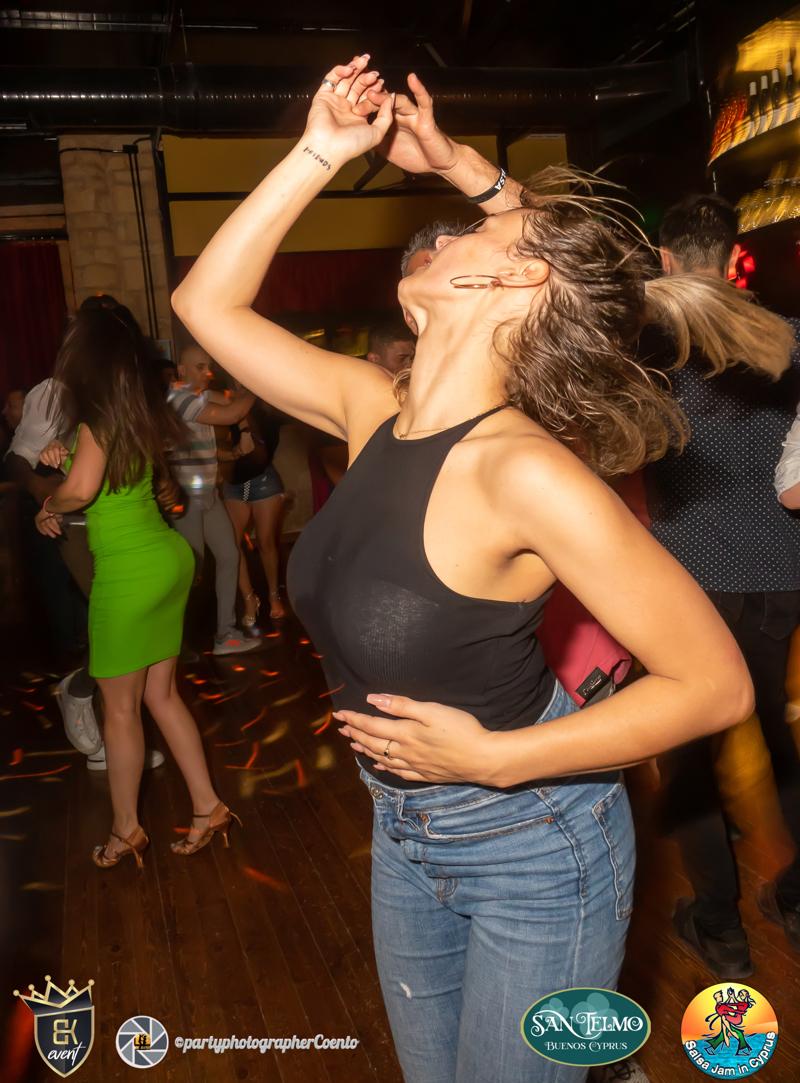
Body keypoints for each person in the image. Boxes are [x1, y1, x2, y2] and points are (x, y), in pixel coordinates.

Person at [171, 56, 757, 1083]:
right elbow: (205, 304)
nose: (441, 235)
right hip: (403, 827)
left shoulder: (525, 472)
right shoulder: (370, 410)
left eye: (471, 233)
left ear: (513, 283)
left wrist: (496, 760)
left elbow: (714, 684)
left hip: (532, 839)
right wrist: (320, 151)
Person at [638, 195, 800, 980]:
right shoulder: (788, 336)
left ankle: (720, 927)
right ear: (734, 255)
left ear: (666, 259)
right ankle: (796, 902)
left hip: (687, 579)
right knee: (776, 736)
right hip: (780, 570)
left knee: (688, 755)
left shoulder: (648, 349)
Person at [34, 300, 239, 866]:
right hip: (166, 559)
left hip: (129, 573)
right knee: (161, 696)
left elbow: (82, 492)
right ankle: (208, 807)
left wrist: (49, 504)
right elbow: (105, 475)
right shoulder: (135, 413)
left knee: (120, 710)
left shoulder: (97, 418)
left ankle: (126, 829)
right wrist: (63, 456)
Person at [4, 301, 165, 771]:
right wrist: (46, 495)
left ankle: (110, 727)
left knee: (126, 631)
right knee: (118, 629)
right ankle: (96, 719)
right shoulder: (53, 393)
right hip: (77, 525)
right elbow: (16, 459)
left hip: (127, 525)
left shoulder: (127, 389)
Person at [167, 345, 262, 655]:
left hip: (208, 493)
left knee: (229, 556)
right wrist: (258, 384)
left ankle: (225, 634)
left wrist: (243, 426)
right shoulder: (177, 399)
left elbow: (233, 404)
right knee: (191, 570)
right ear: (181, 371)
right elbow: (232, 412)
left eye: (208, 366)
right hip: (187, 497)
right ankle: (171, 642)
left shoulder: (199, 396)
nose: (207, 373)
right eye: (199, 367)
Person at [220, 395, 287, 627]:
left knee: (266, 542)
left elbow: (259, 452)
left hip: (263, 482)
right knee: (231, 545)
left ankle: (274, 596)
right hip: (233, 485)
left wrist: (244, 424)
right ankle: (249, 599)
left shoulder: (266, 410)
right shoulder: (224, 405)